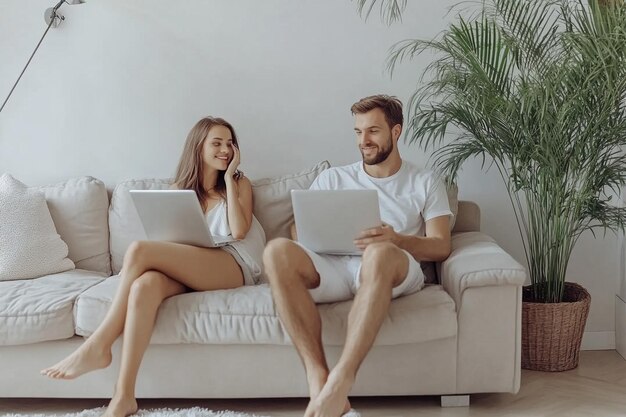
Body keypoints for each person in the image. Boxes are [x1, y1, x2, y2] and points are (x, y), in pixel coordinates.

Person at [41, 116, 266, 417]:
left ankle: (99, 344)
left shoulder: (239, 184)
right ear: (198, 147)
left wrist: (228, 178)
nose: (225, 149)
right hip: (192, 264)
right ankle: (123, 396)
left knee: (138, 250)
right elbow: (169, 240)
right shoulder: (177, 190)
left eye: (229, 143)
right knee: (145, 286)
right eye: (217, 143)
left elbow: (238, 231)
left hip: (232, 264)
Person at [263, 95, 453, 417]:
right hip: (335, 264)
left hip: (391, 266)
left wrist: (398, 240)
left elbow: (441, 245)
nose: (363, 141)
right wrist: (314, 236)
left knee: (379, 253)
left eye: (373, 131)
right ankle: (318, 378)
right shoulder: (333, 178)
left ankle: (342, 379)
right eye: (357, 131)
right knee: (276, 251)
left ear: (396, 132)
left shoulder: (425, 180)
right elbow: (298, 230)